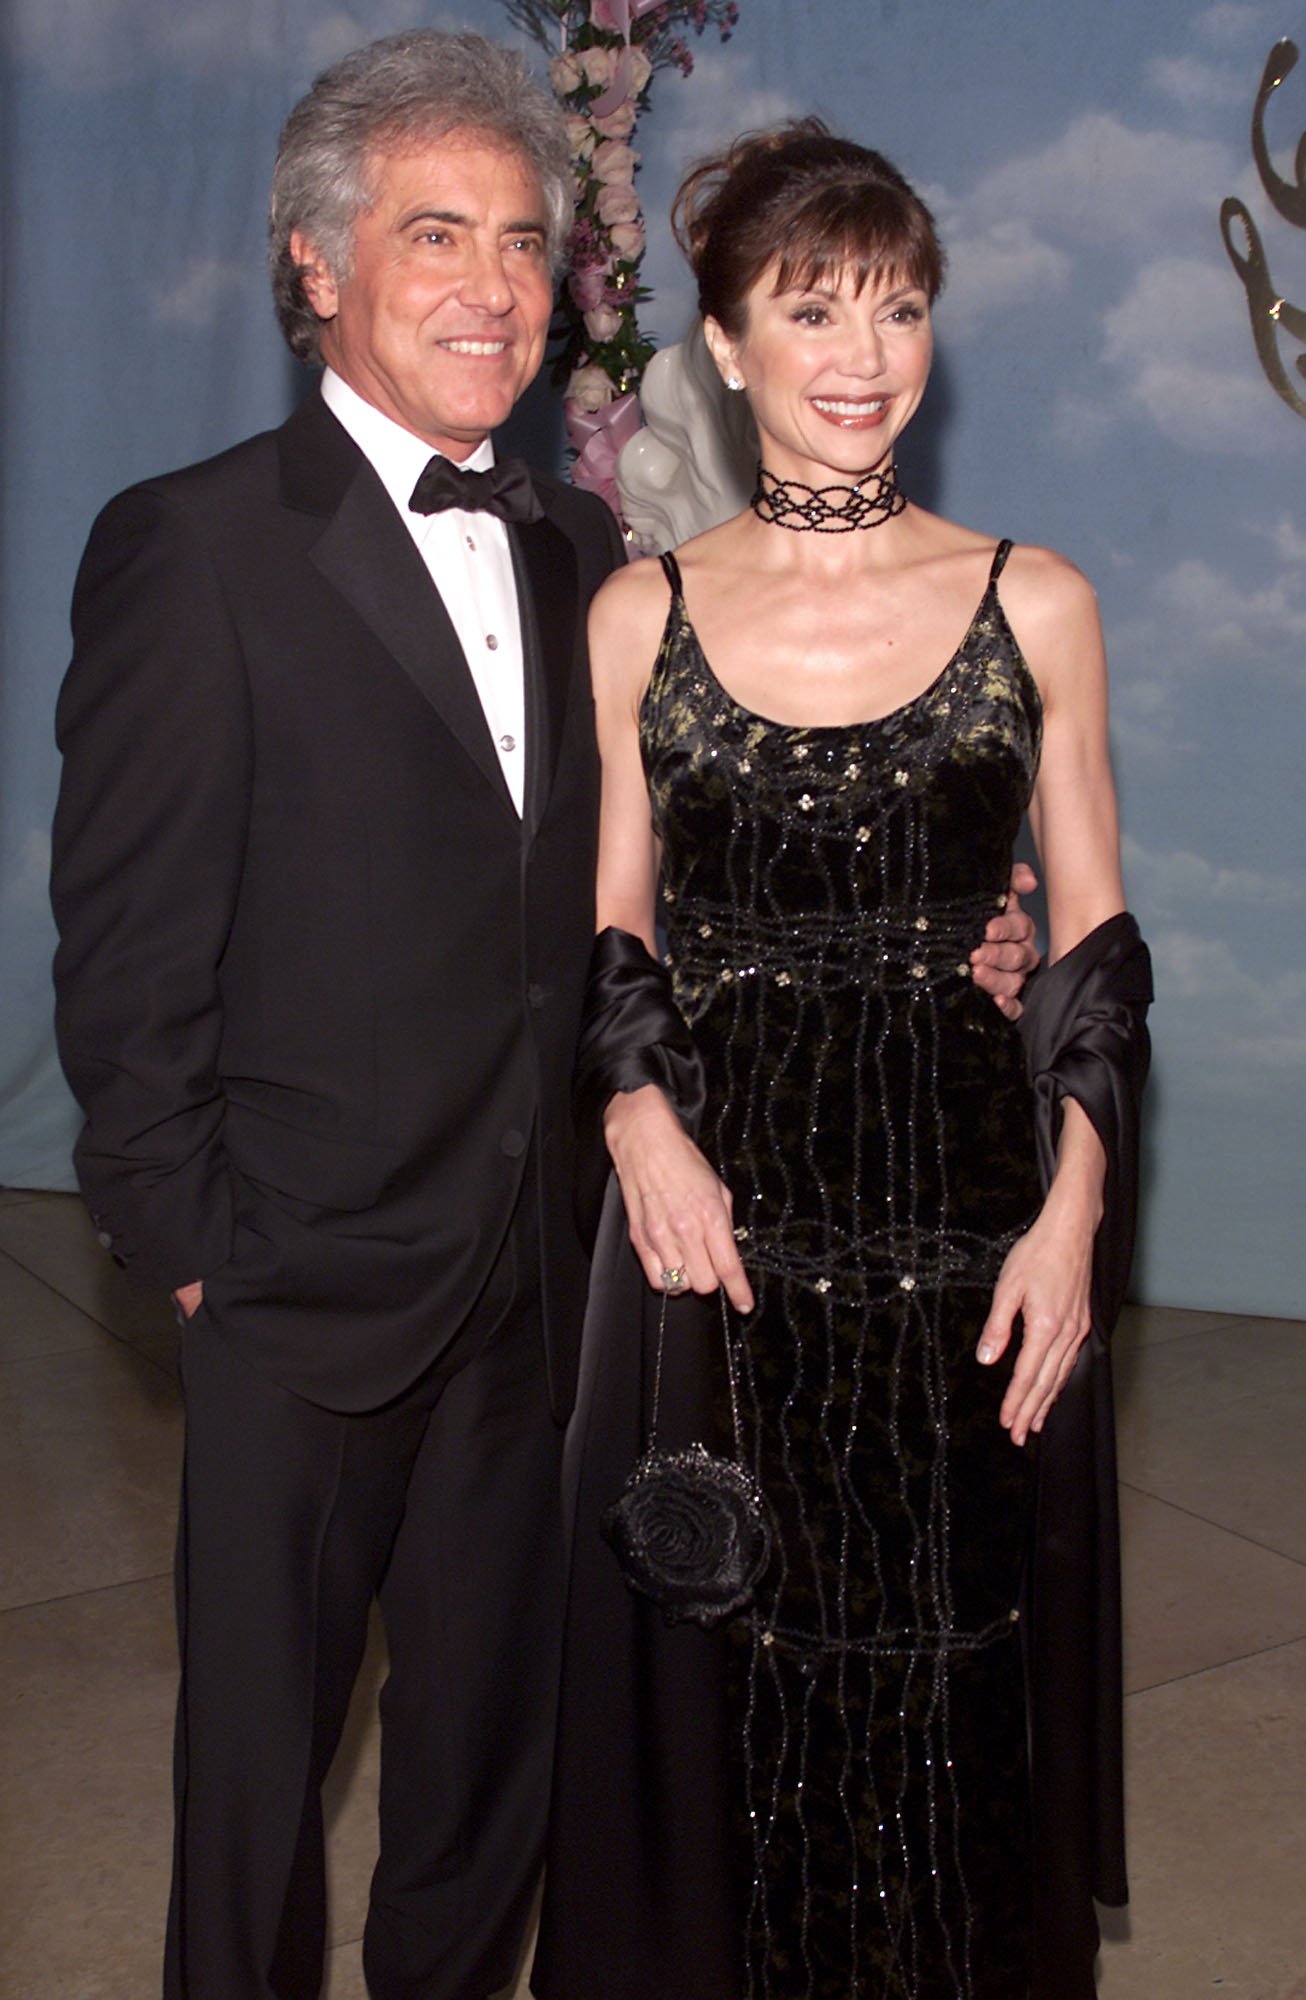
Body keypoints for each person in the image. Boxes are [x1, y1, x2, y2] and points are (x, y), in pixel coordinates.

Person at [534, 124, 1151, 2000]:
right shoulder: (636, 613)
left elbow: (1100, 959)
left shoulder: (1031, 600)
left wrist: (1074, 1215)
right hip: (720, 1246)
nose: (864, 351)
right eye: (814, 307)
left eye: (897, 304)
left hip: (969, 1245)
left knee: (957, 1661)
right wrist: (638, 1110)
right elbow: (612, 928)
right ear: (723, 345)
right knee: (730, 1663)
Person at [49, 31, 629, 2000]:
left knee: (487, 1781)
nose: (492, 285)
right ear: (317, 261)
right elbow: (124, 950)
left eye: (526, 244)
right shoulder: (196, 543)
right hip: (294, 1290)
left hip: (527, 1300)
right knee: (253, 1805)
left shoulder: (584, 553)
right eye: (436, 233)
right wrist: (200, 1257)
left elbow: (612, 917)